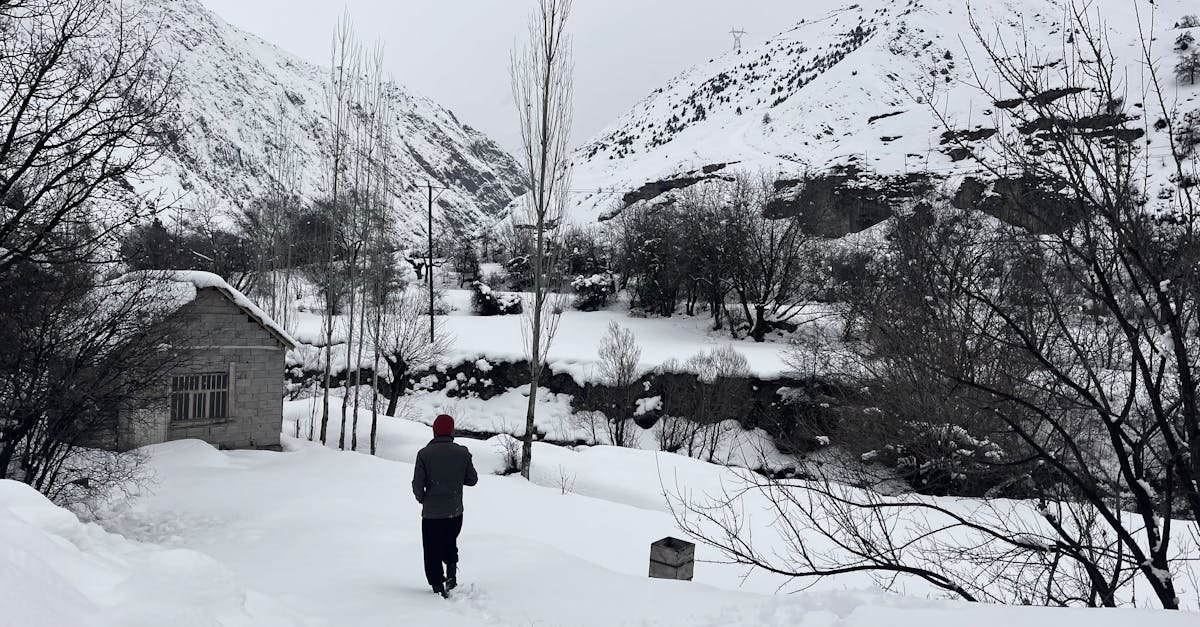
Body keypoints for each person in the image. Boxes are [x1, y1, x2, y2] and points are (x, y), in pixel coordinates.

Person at [412, 414, 478, 597]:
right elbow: (472, 480)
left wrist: (423, 499)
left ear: (434, 431)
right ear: (451, 431)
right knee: (450, 542)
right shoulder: (462, 452)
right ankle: (451, 575)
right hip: (455, 511)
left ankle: (437, 585)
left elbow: (417, 484)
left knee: (431, 548)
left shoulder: (424, 454)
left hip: (432, 512)